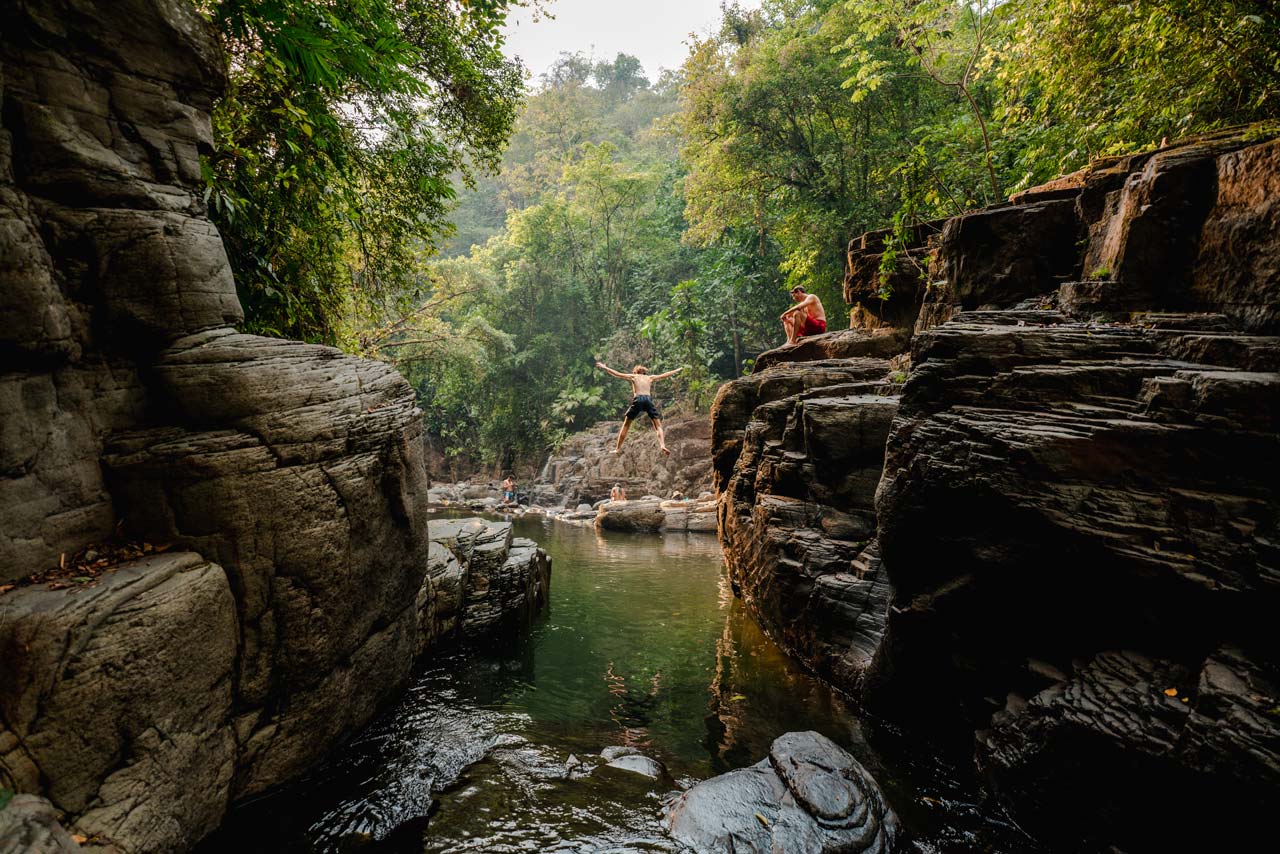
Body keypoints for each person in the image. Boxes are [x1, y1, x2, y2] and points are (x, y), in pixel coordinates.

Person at [594, 361, 684, 455]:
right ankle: (662, 445)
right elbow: (664, 375)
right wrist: (677, 370)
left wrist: (605, 368)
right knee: (658, 426)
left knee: (626, 425)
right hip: (648, 400)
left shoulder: (634, 376)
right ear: (644, 372)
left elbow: (617, 374)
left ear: (635, 372)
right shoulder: (650, 377)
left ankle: (617, 449)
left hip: (638, 399)